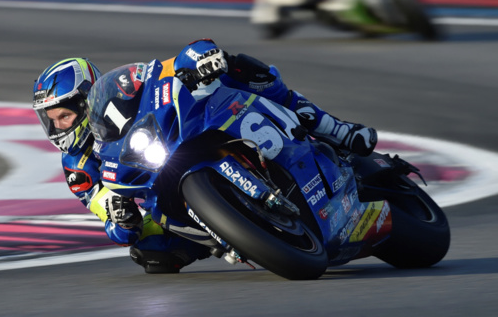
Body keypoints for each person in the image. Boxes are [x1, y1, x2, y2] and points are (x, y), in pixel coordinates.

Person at [32, 40, 377, 274]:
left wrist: (196, 60)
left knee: (238, 69)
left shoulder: (117, 90)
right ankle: (233, 234)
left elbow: (158, 70)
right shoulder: (78, 170)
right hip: (159, 195)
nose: (58, 126)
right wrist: (119, 219)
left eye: (64, 115)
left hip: (171, 140)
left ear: (85, 101)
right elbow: (105, 211)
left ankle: (335, 129)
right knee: (150, 253)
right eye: (51, 120)